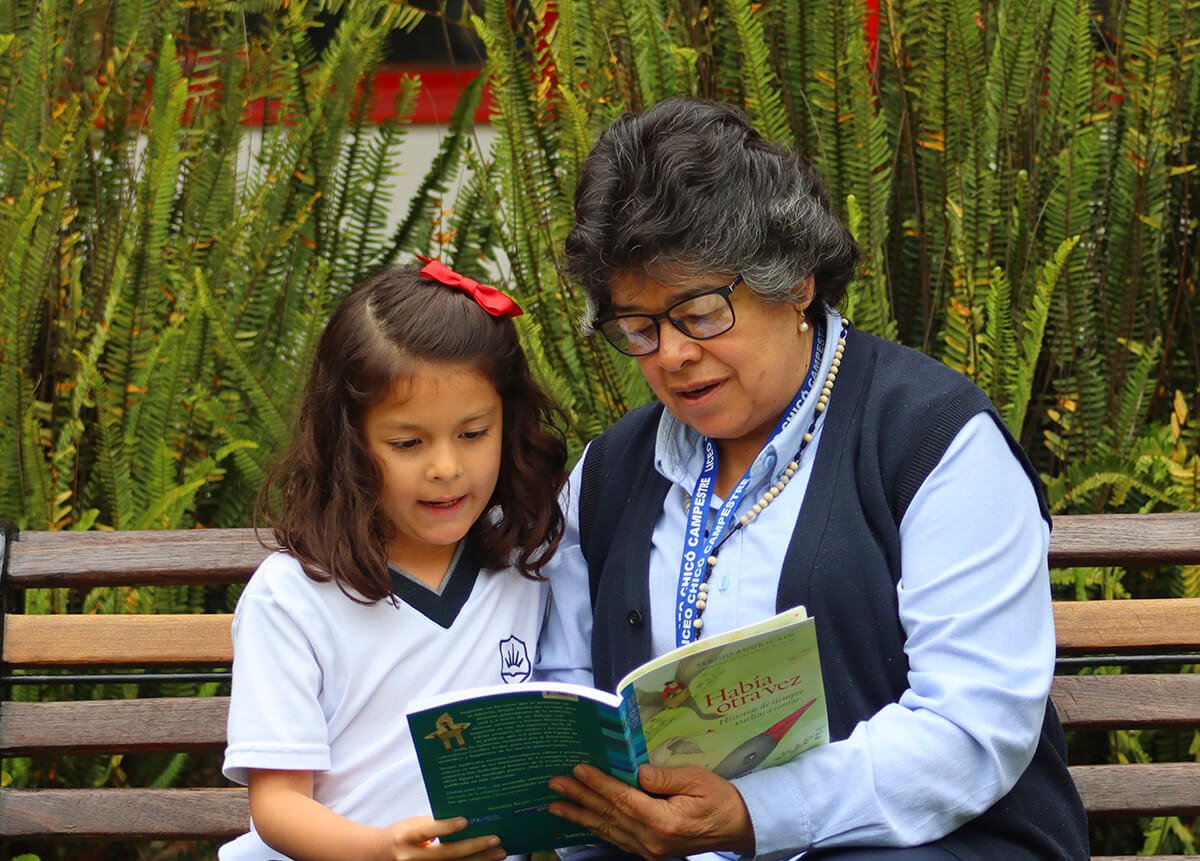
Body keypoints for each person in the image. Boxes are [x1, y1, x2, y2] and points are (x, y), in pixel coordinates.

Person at [534, 97, 1090, 860]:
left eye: (698, 313)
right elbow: (565, 698)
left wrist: (752, 814)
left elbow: (972, 727)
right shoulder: (608, 474)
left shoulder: (933, 439)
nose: (670, 355)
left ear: (795, 283)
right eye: (638, 326)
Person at [220, 262, 568, 861]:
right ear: (348, 443)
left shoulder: (524, 561)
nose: (445, 468)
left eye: (473, 433)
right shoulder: (294, 597)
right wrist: (383, 850)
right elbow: (276, 806)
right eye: (408, 443)